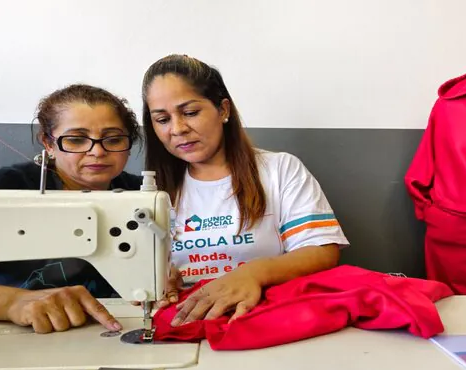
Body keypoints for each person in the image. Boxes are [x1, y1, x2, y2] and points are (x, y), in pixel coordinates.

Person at [141, 54, 350, 327]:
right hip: (188, 320)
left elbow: (322, 250)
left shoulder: (280, 170)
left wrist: (253, 274)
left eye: (190, 112)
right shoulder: (153, 192)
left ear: (223, 110)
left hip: (266, 318)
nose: (178, 129)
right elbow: (144, 266)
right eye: (162, 119)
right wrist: (158, 278)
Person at [0, 84, 143, 334]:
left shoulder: (138, 193)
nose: (97, 151)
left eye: (113, 139)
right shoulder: (7, 187)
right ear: (48, 143)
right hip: (9, 333)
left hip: (95, 328)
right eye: (76, 139)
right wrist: (12, 303)